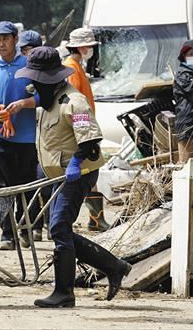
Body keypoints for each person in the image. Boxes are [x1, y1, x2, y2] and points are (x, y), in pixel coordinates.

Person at [14, 46, 131, 308]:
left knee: (58, 228)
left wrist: (76, 163)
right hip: (57, 175)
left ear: (50, 79)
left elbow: (90, 141)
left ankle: (64, 292)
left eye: (36, 79)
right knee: (61, 229)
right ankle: (114, 266)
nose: (32, 84)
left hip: (77, 173)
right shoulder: (48, 101)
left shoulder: (73, 102)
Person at [0, 21, 40, 250]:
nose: (1, 43)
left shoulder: (29, 67)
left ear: (15, 39)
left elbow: (44, 97)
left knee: (26, 185)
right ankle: (7, 234)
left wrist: (24, 103)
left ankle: (25, 227)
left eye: (5, 38)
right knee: (2, 185)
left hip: (25, 136)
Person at [63, 28, 110, 232]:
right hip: (81, 131)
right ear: (82, 47)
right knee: (87, 173)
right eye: (89, 47)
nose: (91, 50)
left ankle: (95, 218)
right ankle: (94, 219)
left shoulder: (77, 66)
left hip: (86, 129)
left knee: (91, 173)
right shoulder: (71, 68)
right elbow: (73, 103)